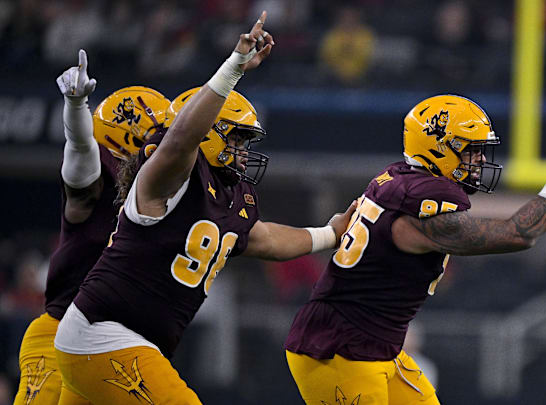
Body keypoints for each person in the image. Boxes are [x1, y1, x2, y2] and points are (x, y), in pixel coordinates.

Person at [53, 12, 355, 405]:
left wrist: (329, 233)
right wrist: (234, 68)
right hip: (105, 333)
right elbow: (181, 139)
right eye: (237, 139)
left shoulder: (229, 196)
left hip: (125, 342)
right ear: (207, 131)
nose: (244, 153)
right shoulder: (169, 175)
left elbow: (263, 238)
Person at [284, 94, 546, 404]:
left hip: (374, 345)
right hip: (339, 351)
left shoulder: (400, 179)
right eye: (471, 149)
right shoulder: (420, 208)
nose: (480, 160)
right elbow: (520, 234)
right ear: (439, 148)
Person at [12, 49, 170, 405]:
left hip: (115, 344)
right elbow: (81, 152)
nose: (169, 144)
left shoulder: (168, 193)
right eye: (160, 135)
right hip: (58, 333)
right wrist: (76, 108)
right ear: (130, 141)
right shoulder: (98, 181)